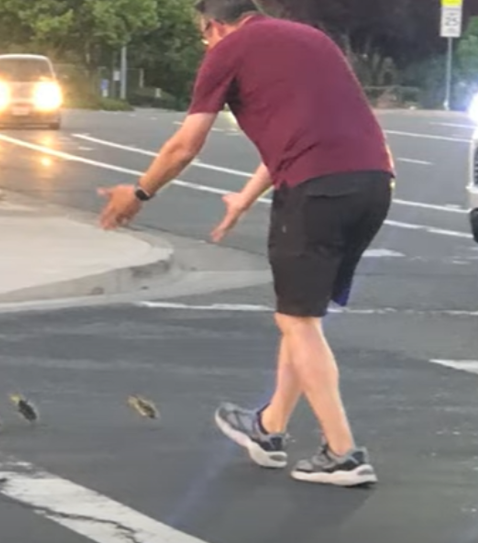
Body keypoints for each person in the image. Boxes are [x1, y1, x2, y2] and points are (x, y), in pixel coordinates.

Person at [97, 0, 394, 487]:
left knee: (296, 320)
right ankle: (269, 426)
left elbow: (185, 144)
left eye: (203, 36)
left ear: (214, 24)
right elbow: (310, 132)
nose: (206, 45)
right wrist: (245, 197)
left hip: (317, 189)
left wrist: (141, 191)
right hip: (372, 183)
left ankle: (343, 454)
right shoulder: (311, 39)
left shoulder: (228, 50)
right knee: (303, 315)